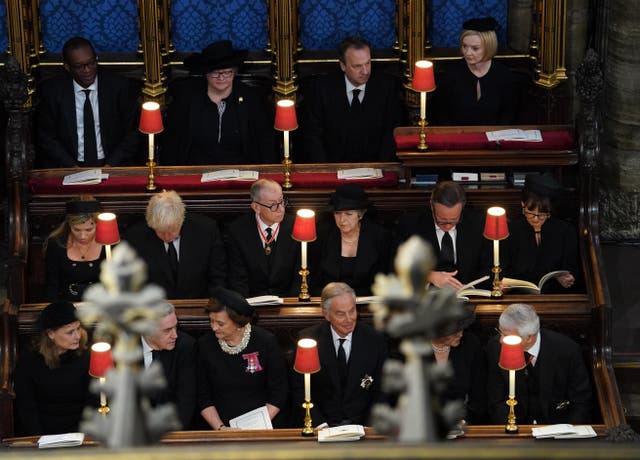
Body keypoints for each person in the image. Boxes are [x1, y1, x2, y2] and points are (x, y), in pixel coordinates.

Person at [161, 40, 277, 165]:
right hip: (197, 170)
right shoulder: (187, 99)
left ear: (234, 72)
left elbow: (265, 141)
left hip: (240, 171)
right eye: (215, 73)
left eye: (227, 72)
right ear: (206, 73)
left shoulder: (250, 98)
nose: (221, 78)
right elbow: (172, 141)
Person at [35, 36, 141, 168]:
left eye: (91, 63)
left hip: (112, 163)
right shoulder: (52, 91)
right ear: (67, 67)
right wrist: (71, 167)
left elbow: (132, 133)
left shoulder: (118, 87)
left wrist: (111, 165)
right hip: (69, 165)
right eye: (79, 66)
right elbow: (47, 138)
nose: (87, 70)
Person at [293, 282, 387, 426]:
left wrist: (369, 427)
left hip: (364, 426)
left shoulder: (375, 340)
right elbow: (299, 389)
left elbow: (382, 390)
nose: (349, 319)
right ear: (326, 314)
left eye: (352, 311)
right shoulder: (308, 340)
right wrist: (319, 424)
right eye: (340, 314)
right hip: (323, 426)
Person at [301, 35, 405, 162]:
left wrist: (382, 167)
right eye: (357, 66)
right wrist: (325, 171)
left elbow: (392, 133)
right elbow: (313, 136)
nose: (365, 71)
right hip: (334, 168)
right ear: (343, 66)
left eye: (368, 63)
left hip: (376, 167)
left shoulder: (387, 87)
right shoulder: (322, 89)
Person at [197, 287, 288, 429]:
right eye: (211, 321)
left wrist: (256, 426)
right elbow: (203, 396)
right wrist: (221, 429)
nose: (213, 327)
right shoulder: (205, 345)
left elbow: (279, 392)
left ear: (239, 323)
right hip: (221, 426)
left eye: (220, 323)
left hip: (263, 424)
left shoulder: (265, 342)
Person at [487, 303, 593, 424]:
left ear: (529, 338)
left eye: (507, 336)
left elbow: (581, 401)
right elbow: (496, 398)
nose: (501, 340)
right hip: (515, 426)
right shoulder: (495, 348)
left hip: (556, 427)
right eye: (500, 333)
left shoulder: (567, 351)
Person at [125, 190, 226, 298]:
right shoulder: (136, 237)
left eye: (172, 231)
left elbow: (218, 277)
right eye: (161, 232)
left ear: (181, 220)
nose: (167, 237)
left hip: (199, 306)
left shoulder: (206, 230)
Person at [394, 181, 492, 289]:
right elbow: (395, 268)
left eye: (454, 220)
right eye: (442, 220)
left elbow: (489, 267)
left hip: (468, 297)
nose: (448, 226)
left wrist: (470, 288)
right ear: (432, 207)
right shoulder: (411, 226)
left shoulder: (478, 224)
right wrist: (428, 275)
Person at [13, 301, 91, 435]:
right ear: (51, 334)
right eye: (70, 332)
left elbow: (93, 402)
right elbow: (26, 407)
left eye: (78, 328)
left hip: (80, 432)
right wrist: (39, 439)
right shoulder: (29, 360)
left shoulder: (86, 356)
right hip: (42, 433)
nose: (77, 336)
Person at [502, 173, 580, 293]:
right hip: (518, 297)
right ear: (522, 204)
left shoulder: (565, 231)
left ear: (550, 210)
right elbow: (503, 268)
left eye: (542, 214)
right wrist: (504, 285)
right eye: (530, 212)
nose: (536, 219)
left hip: (555, 296)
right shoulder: (511, 230)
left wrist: (568, 279)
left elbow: (571, 268)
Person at [431, 17, 516, 125]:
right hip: (458, 137)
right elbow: (440, 114)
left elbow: (508, 115)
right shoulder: (451, 73)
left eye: (475, 48)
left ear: (489, 47)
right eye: (464, 46)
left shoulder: (503, 75)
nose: (467, 53)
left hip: (494, 138)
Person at [311, 183, 391, 296]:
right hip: (329, 299)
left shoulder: (379, 237)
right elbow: (315, 279)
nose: (342, 220)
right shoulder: (323, 235)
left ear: (360, 215)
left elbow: (384, 280)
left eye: (349, 214)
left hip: (367, 301)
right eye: (337, 213)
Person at [226, 179, 300, 298]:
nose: (281, 209)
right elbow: (237, 278)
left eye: (281, 201)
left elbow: (300, 276)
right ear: (256, 207)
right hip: (251, 302)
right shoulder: (237, 231)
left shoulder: (297, 226)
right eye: (273, 205)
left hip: (288, 301)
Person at [141, 301, 197, 429]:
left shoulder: (185, 346)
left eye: (175, 327)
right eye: (167, 330)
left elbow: (186, 400)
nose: (175, 335)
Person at [431, 306, 488, 424]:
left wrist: (465, 420)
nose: (460, 334)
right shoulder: (412, 349)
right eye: (454, 331)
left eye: (461, 329)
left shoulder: (470, 344)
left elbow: (478, 395)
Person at [44, 196, 106, 301]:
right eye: (76, 229)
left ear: (98, 224)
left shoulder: (109, 244)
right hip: (66, 305)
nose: (82, 236)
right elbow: (52, 285)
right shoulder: (56, 244)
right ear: (69, 225)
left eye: (89, 229)